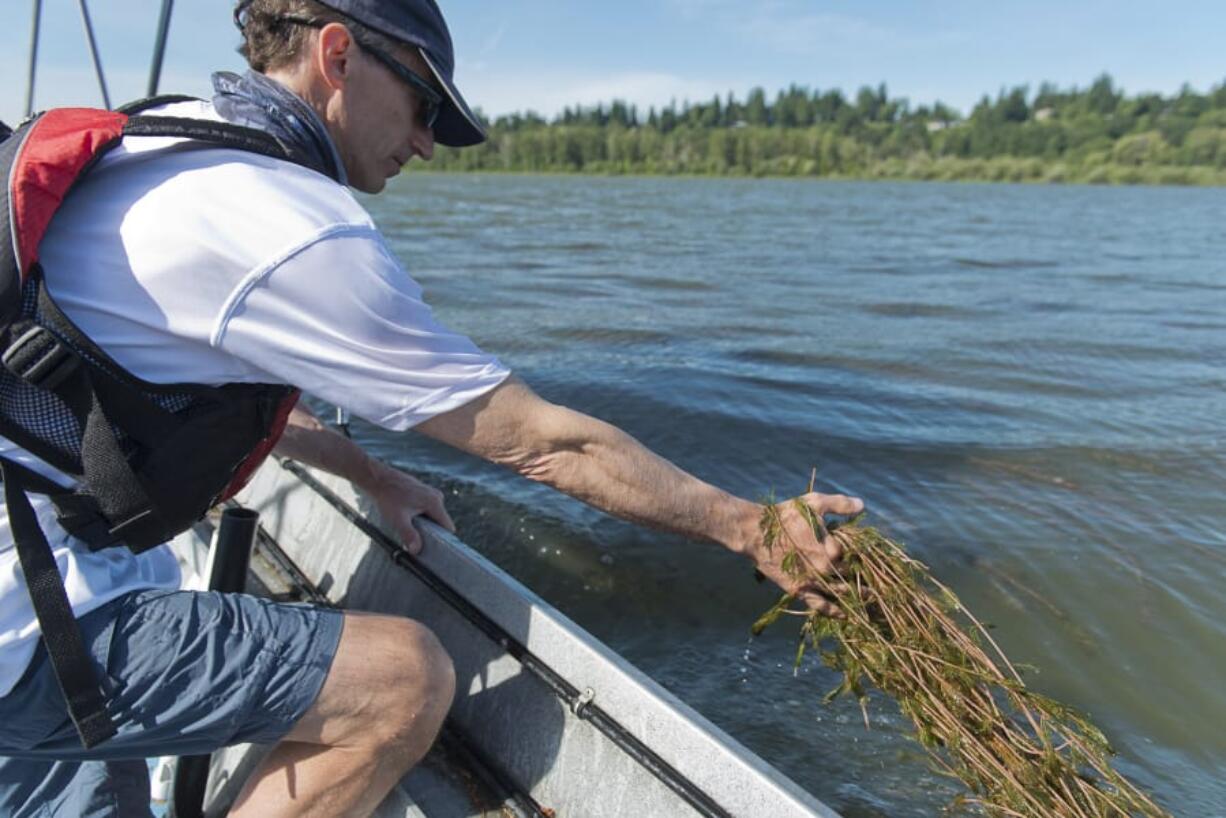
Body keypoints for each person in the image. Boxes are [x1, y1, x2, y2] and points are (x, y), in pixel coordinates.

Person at [0, 1, 863, 816]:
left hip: (35, 550)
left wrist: (371, 472)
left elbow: (148, 401)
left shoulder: (163, 141)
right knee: (404, 680)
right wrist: (752, 528)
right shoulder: (288, 225)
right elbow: (544, 444)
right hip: (26, 622)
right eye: (421, 105)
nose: (428, 143)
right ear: (337, 55)